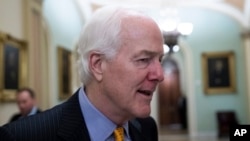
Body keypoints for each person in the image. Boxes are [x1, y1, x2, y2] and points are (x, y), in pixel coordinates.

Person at [0, 6, 164, 141]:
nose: (159, 75)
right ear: (98, 65)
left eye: (160, 60)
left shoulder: (146, 127)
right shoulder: (22, 137)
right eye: (143, 59)